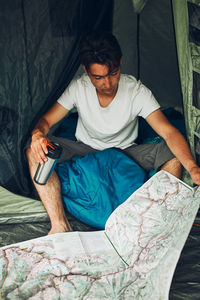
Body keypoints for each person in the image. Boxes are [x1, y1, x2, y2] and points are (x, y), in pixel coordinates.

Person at [26, 31, 200, 235]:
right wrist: (38, 134)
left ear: (120, 63)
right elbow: (46, 121)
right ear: (86, 71)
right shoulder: (78, 87)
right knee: (34, 151)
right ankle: (60, 225)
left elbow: (169, 132)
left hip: (126, 151)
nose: (107, 84)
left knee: (172, 156)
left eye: (113, 73)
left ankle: (158, 223)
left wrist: (193, 167)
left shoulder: (136, 91)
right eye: (98, 77)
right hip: (85, 149)